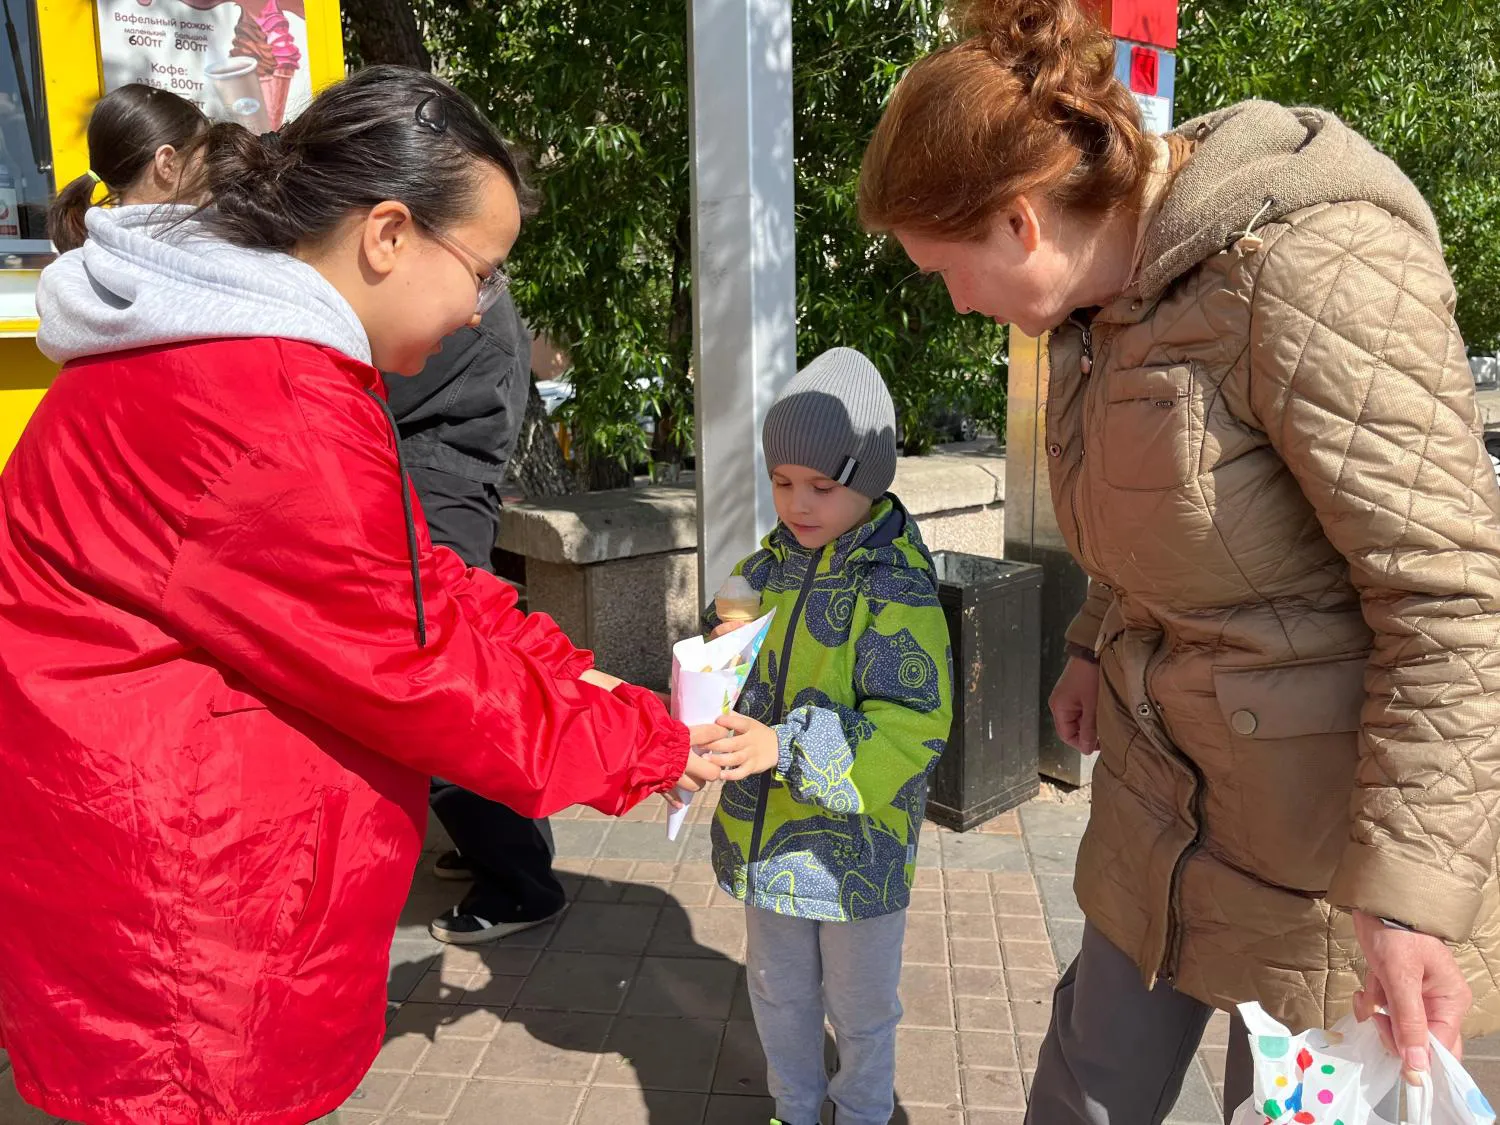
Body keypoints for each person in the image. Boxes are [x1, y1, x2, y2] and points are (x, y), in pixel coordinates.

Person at [0, 65, 721, 1125]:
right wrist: (644, 747)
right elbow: (416, 669)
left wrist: (573, 668)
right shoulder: (270, 403)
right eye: (479, 270)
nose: (480, 313)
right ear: (387, 233)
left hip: (157, 876)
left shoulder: (233, 352)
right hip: (187, 942)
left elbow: (406, 584)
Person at [859, 1, 1500, 1121]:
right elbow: (1169, 510)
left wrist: (1406, 900)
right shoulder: (1094, 307)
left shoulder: (1312, 268)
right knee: (1083, 1091)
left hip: (1327, 873)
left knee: (1288, 1109)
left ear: (1019, 222)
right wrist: (1089, 641)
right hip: (1162, 812)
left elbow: (1449, 602)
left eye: (943, 271)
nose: (956, 303)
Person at [698, 347, 954, 1125]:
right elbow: (721, 675)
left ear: (869, 479)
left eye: (822, 485)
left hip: (857, 857)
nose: (798, 504)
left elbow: (913, 727)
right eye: (782, 482)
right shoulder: (760, 570)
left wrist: (787, 746)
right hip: (768, 841)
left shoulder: (897, 587)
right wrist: (698, 717)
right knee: (778, 991)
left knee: (862, 1005)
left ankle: (865, 1112)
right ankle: (795, 1108)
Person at [384, 291, 569, 944]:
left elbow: (385, 381)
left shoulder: (463, 301)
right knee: (461, 683)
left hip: (435, 496)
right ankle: (505, 849)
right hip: (443, 490)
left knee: (444, 694)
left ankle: (521, 880)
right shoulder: (475, 291)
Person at [47, 83, 207, 252]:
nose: (213, 170)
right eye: (208, 156)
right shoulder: (205, 260)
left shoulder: (75, 264)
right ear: (167, 164)